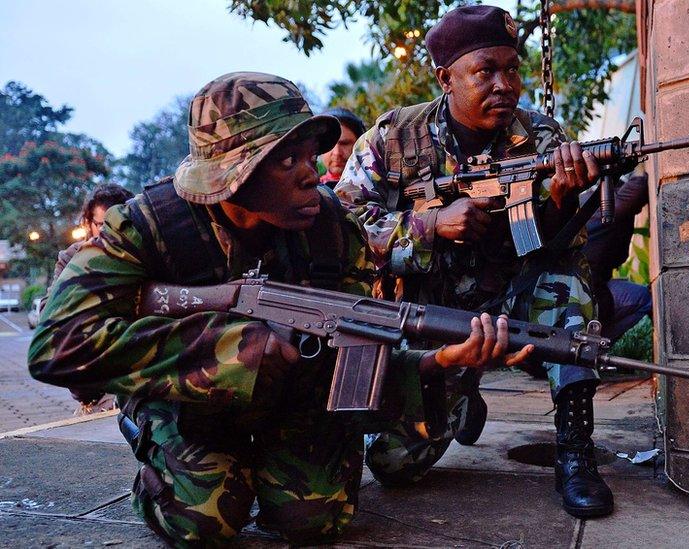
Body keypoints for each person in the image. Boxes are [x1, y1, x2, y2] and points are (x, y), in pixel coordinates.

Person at [28, 72, 529, 547]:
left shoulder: (334, 228)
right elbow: (57, 344)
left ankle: (256, 457)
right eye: (288, 160)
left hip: (292, 394)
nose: (313, 174)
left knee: (314, 520)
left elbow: (351, 357)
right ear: (233, 174)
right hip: (186, 401)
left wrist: (438, 362)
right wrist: (225, 350)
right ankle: (157, 449)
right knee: (204, 523)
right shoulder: (146, 227)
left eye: (311, 154)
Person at [334, 5, 614, 518]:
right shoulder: (393, 138)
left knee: (564, 288)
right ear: (446, 78)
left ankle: (576, 452)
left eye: (513, 69)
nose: (505, 85)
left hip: (511, 296)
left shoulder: (542, 138)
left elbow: (557, 246)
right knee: (395, 466)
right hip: (431, 318)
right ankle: (463, 396)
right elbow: (344, 223)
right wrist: (430, 226)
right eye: (486, 71)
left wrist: (559, 200)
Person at [42, 183, 134, 414]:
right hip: (92, 377)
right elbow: (48, 310)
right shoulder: (73, 257)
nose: (107, 233)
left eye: (115, 225)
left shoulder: (141, 253)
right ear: (89, 224)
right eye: (101, 225)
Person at [583, 171, 652, 341]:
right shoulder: (604, 203)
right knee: (644, 298)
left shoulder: (582, 200)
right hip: (587, 296)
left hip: (571, 292)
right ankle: (596, 347)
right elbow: (639, 187)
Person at [316, 107, 366, 187]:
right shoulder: (309, 191)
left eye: (345, 143)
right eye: (329, 143)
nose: (337, 152)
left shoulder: (378, 187)